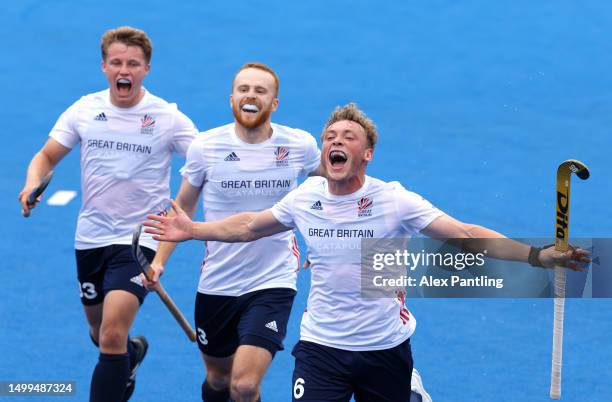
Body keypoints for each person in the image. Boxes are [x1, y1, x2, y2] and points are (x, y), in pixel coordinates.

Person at [143, 103, 589, 402]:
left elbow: (462, 232)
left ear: (368, 153)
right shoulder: (306, 198)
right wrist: (191, 228)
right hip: (320, 347)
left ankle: (412, 388)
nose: (337, 141)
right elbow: (247, 226)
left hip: (384, 347)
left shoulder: (393, 199)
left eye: (349, 137)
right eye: (331, 135)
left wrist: (536, 256)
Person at [18, 26, 198, 402]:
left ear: (147, 69)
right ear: (104, 66)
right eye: (116, 62)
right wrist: (31, 183)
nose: (124, 70)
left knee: (112, 333)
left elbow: (204, 161)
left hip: (138, 238)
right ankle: (130, 357)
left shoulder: (167, 117)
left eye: (133, 63)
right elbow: (46, 156)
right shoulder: (85, 109)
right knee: (101, 334)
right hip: (91, 236)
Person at [143, 62, 322, 402]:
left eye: (260, 90)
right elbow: (181, 211)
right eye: (243, 89)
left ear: (274, 103)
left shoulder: (299, 145)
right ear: (231, 99)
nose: (250, 96)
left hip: (274, 279)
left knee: (244, 386)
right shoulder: (206, 147)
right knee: (219, 380)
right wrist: (158, 262)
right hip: (218, 282)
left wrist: (322, 240)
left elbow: (330, 191)